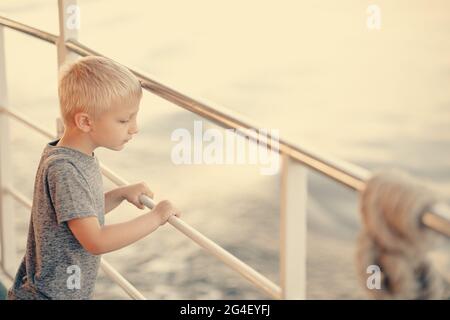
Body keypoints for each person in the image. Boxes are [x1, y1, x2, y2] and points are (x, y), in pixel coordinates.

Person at [7, 56, 180, 299]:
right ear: (85, 121)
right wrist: (156, 217)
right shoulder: (65, 170)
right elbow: (95, 240)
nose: (135, 128)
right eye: (124, 120)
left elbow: (78, 213)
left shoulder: (75, 155)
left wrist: (119, 194)